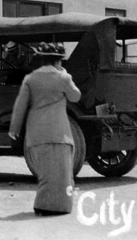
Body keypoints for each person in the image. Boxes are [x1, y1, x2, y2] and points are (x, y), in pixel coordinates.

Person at [9, 42, 82, 216]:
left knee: (44, 173)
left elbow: (20, 106)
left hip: (36, 134)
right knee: (62, 174)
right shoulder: (63, 78)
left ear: (41, 60)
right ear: (58, 61)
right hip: (59, 133)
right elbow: (76, 96)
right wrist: (66, 75)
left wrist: (14, 129)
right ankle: (58, 207)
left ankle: (42, 205)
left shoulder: (30, 79)